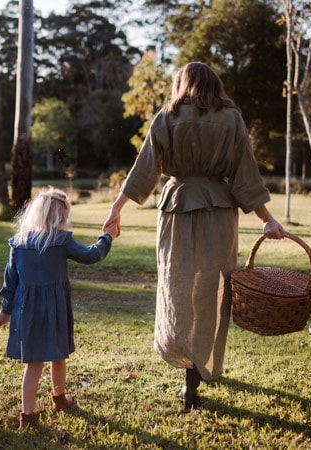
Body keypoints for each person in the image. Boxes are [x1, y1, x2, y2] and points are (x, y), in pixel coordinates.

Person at [102, 62, 285, 411]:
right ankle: (199, 367)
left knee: (177, 284)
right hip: (218, 211)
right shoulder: (231, 118)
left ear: (183, 84)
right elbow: (246, 175)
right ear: (215, 84)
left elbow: (144, 169)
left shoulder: (167, 116)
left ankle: (187, 370)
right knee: (214, 286)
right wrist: (267, 219)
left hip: (176, 209)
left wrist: (116, 208)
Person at [0, 186, 118, 429]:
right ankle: (58, 398)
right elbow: (91, 255)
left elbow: (10, 281)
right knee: (58, 354)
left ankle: (28, 415)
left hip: (27, 311)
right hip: (54, 309)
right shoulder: (61, 241)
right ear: (59, 216)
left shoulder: (19, 243)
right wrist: (107, 237)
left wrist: (6, 309)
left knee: (34, 365)